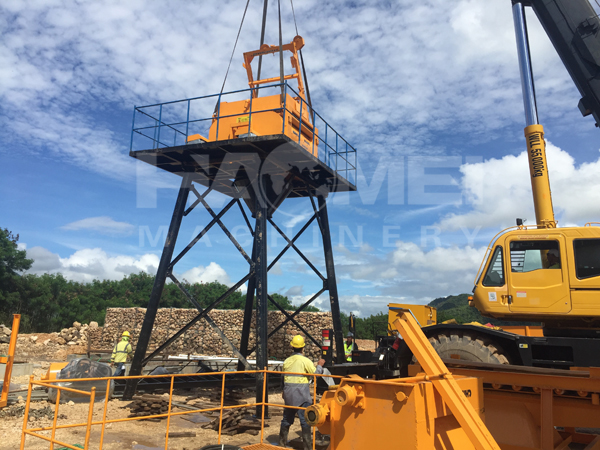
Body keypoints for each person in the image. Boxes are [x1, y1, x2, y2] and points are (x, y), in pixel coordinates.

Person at [279, 335, 325, 450]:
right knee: (305, 421)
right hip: (301, 397)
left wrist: (283, 391)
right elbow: (316, 375)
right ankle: (308, 447)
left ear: (292, 347)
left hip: (289, 395)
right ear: (302, 348)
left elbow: (282, 378)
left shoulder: (287, 361)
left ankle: (281, 444)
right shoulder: (305, 361)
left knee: (286, 420)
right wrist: (320, 365)